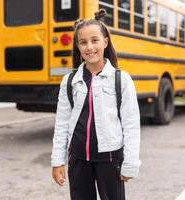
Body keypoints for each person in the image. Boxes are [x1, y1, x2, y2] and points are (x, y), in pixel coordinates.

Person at [51, 9, 141, 200]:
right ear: (77, 46)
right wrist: (57, 161)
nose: (89, 47)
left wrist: (130, 163)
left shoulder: (121, 80)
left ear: (105, 42)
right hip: (78, 159)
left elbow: (131, 124)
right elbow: (61, 123)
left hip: (110, 159)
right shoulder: (69, 81)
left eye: (95, 40)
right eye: (83, 42)